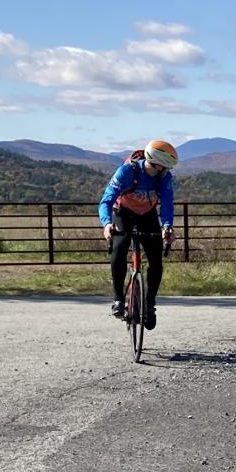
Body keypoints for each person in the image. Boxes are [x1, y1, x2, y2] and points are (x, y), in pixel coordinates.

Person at [100, 139, 177, 330]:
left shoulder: (164, 177)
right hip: (123, 213)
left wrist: (167, 226)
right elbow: (107, 200)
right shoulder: (127, 171)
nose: (168, 170)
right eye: (166, 166)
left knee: (156, 260)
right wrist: (107, 224)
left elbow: (167, 203)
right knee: (118, 248)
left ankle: (149, 304)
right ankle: (118, 300)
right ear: (158, 164)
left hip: (147, 215)